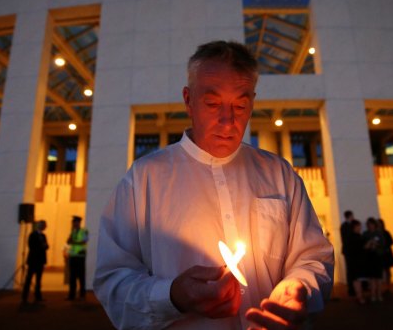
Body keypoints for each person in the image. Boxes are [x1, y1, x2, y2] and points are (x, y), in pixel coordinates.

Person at [94, 40, 334, 329]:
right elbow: (113, 280)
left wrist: (299, 287)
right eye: (212, 103)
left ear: (252, 103)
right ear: (188, 100)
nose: (227, 120)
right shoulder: (144, 179)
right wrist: (172, 295)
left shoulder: (279, 173)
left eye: (240, 105)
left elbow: (312, 256)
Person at [21, 220, 48, 303]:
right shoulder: (32, 234)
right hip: (33, 260)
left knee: (38, 280)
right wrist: (41, 246)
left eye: (44, 225)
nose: (43, 227)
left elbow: (46, 246)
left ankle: (38, 296)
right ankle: (24, 297)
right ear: (38, 226)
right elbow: (31, 245)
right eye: (42, 225)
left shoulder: (43, 235)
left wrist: (45, 246)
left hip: (40, 260)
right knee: (29, 279)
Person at [67, 215, 88, 300]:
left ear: (78, 222)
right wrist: (73, 241)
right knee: (72, 277)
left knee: (81, 276)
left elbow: (84, 242)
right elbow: (68, 241)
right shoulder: (73, 231)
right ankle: (72, 295)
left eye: (75, 222)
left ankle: (82, 295)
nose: (74, 224)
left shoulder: (84, 231)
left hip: (80, 257)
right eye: (73, 222)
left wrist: (74, 242)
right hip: (73, 256)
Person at [340, 210, 356, 296]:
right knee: (350, 269)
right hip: (349, 251)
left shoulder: (349, 225)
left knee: (352, 269)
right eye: (352, 215)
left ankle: (354, 287)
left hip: (350, 250)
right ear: (349, 216)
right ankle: (351, 288)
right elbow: (346, 239)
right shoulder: (344, 226)